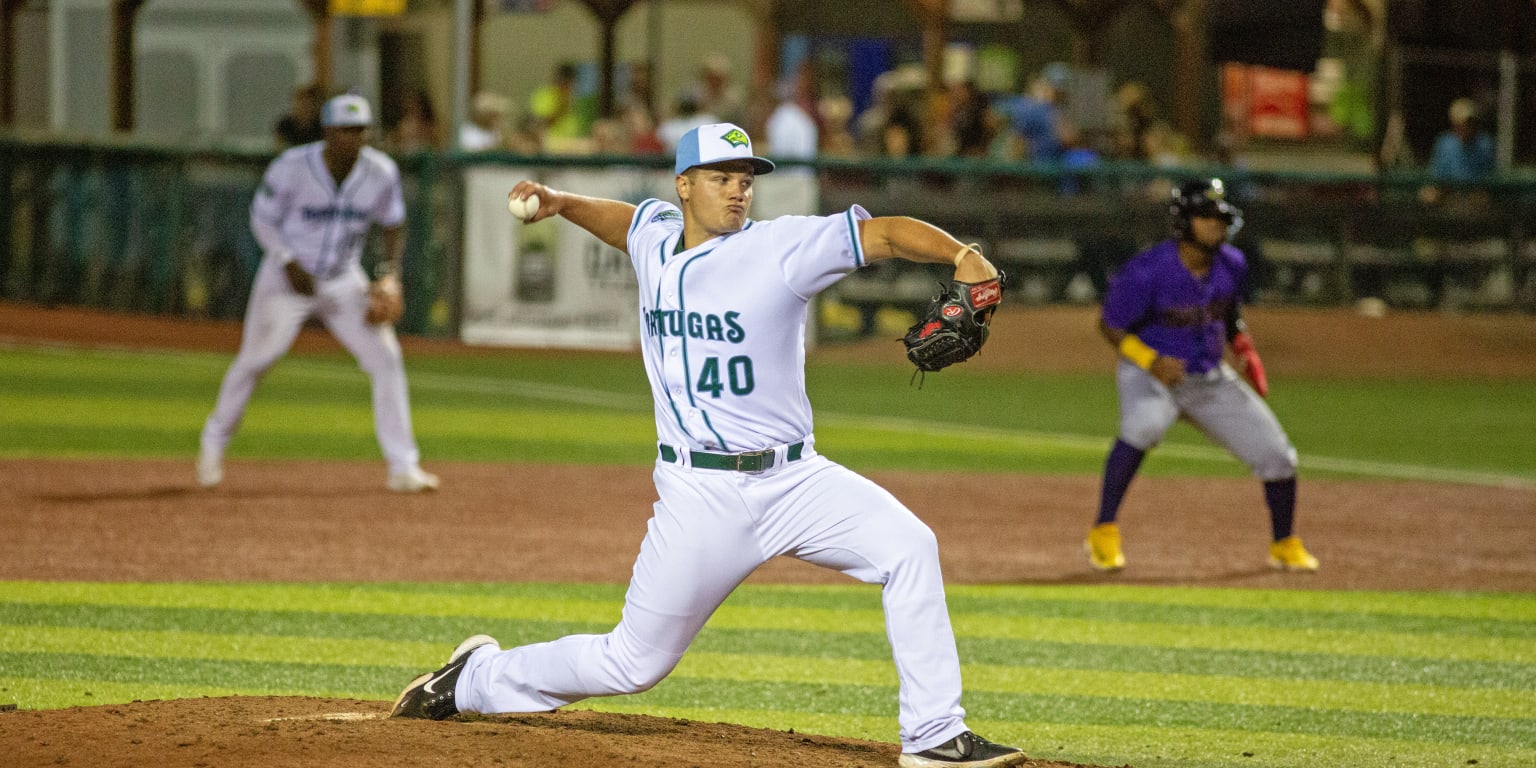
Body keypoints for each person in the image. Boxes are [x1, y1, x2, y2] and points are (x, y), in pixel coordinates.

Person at [389, 122, 1029, 768]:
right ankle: (473, 678)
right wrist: (561, 201)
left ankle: (933, 736)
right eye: (722, 177)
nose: (738, 191)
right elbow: (625, 223)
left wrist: (962, 255)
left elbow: (885, 232)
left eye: (746, 179)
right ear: (684, 186)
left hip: (796, 480)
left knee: (909, 546)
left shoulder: (783, 248)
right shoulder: (656, 238)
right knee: (632, 662)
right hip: (702, 494)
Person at [197, 94, 439, 494]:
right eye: (346, 130)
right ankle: (214, 439)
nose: (355, 138)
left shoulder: (380, 172)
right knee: (259, 357)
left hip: (344, 280)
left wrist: (389, 275)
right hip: (285, 278)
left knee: (386, 358)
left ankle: (403, 466)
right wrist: (287, 260)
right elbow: (261, 219)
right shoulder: (292, 167)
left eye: (361, 130)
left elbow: (394, 222)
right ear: (328, 132)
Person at [1085, 178, 1317, 574]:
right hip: (1152, 375)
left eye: (1221, 218)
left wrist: (1243, 347)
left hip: (1208, 379)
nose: (1217, 226)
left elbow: (1228, 313)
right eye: (1206, 217)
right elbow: (1109, 326)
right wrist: (1151, 359)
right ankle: (1103, 531)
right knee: (1143, 427)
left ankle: (1284, 543)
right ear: (1184, 222)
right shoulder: (1148, 270)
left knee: (1278, 456)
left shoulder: (1233, 263)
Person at [274, 83, 324, 148]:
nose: (304, 108)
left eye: (308, 104)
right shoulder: (285, 124)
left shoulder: (321, 126)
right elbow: (279, 146)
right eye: (301, 103)